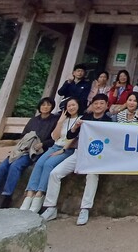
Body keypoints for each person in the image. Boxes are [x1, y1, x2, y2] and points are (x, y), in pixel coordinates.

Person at [40, 93, 112, 226]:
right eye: (96, 103)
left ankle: (85, 209)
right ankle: (50, 207)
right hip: (79, 153)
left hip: (97, 156)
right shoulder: (85, 118)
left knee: (92, 176)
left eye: (101, 103)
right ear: (92, 105)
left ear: (107, 106)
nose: (98, 106)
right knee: (55, 173)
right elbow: (69, 136)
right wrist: (75, 127)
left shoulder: (109, 121)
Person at [0, 97, 58, 211]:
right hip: (23, 149)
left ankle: (7, 196)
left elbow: (55, 138)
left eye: (48, 105)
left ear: (52, 107)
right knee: (1, 167)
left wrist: (43, 144)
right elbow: (23, 135)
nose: (45, 107)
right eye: (43, 105)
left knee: (15, 166)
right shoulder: (33, 120)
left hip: (36, 151)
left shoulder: (54, 121)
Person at [20, 97, 81, 212]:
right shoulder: (63, 119)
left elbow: (75, 138)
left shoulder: (81, 119)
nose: (71, 107)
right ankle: (29, 194)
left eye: (73, 105)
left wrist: (63, 150)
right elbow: (55, 137)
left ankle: (40, 194)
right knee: (39, 164)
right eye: (69, 106)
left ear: (78, 106)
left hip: (68, 149)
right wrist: (60, 122)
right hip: (55, 147)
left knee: (48, 164)